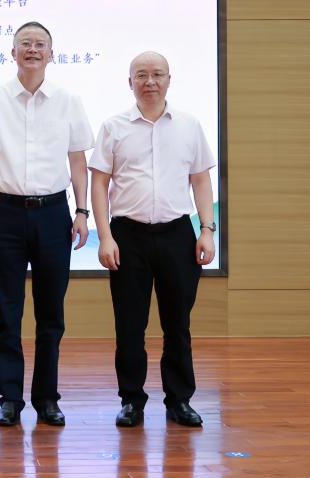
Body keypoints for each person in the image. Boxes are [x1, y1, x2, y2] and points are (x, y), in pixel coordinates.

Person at [0, 21, 93, 427]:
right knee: (7, 310)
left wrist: (82, 211)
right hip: (5, 214)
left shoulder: (69, 101)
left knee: (51, 312)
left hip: (54, 214)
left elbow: (78, 162)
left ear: (52, 54)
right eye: (25, 44)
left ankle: (47, 398)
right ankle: (10, 398)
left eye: (40, 45)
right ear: (13, 52)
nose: (32, 50)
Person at [89, 51, 217, 428]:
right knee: (130, 324)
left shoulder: (189, 125)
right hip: (127, 235)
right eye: (141, 75)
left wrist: (206, 229)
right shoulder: (113, 127)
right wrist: (105, 237)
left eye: (157, 74)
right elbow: (99, 183)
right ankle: (132, 400)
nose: (150, 81)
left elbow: (201, 180)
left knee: (177, 323)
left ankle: (180, 400)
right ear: (130, 82)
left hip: (178, 234)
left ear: (169, 80)